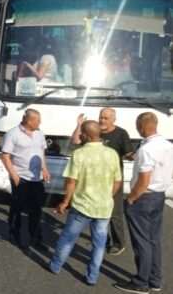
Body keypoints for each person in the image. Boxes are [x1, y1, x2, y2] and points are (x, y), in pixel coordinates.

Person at [49, 120, 122, 286]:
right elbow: (117, 181)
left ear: (86, 135)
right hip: (104, 207)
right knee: (99, 244)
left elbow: (71, 181)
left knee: (67, 239)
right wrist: (107, 195)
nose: (79, 134)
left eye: (81, 132)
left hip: (82, 206)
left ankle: (55, 266)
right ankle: (92, 276)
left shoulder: (79, 154)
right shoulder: (111, 154)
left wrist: (65, 202)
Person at [113, 113, 173, 294]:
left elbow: (144, 180)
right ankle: (155, 279)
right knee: (153, 239)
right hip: (159, 195)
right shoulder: (168, 146)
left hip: (144, 197)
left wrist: (131, 198)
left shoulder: (147, 149)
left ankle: (141, 282)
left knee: (141, 242)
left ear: (141, 125)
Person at [71, 108, 134, 255]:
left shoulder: (121, 133)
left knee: (114, 213)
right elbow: (75, 142)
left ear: (114, 119)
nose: (102, 121)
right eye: (101, 118)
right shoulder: (94, 132)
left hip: (112, 181)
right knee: (95, 212)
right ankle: (101, 241)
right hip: (93, 181)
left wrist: (139, 155)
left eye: (106, 118)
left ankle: (119, 243)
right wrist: (79, 125)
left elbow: (129, 153)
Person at [1, 109, 51, 248]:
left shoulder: (39, 133)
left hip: (37, 178)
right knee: (17, 209)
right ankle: (14, 235)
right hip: (21, 177)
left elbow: (42, 152)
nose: (40, 123)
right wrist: (15, 176)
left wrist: (45, 169)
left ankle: (36, 239)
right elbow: (5, 157)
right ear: (29, 121)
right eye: (37, 120)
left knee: (36, 210)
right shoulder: (13, 134)